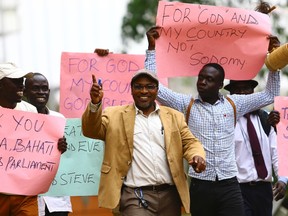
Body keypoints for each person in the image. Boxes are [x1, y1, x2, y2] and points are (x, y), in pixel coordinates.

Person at [145, 26, 280, 216]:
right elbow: (155, 89)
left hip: (230, 185)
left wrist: (275, 60)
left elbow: (270, 95)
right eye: (200, 78)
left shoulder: (234, 104)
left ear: (219, 85)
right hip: (201, 186)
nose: (202, 82)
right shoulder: (187, 104)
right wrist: (151, 50)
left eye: (209, 79)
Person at [81, 68, 206, 216]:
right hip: (135, 196)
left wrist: (197, 155)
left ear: (157, 90)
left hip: (170, 196)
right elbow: (91, 130)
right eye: (138, 87)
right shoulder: (113, 115)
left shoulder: (174, 117)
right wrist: (95, 104)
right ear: (132, 90)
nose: (144, 91)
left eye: (150, 87)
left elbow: (190, 142)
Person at [224, 79, 286, 215]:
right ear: (230, 94)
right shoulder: (226, 121)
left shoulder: (266, 118)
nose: (242, 93)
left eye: (246, 88)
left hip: (264, 190)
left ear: (253, 92)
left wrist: (282, 179)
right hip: (238, 189)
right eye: (237, 89)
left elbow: (276, 151)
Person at [23, 72, 72, 216]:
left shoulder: (60, 119)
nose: (41, 92)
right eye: (36, 88)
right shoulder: (18, 120)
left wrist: (63, 149)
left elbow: (72, 160)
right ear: (25, 92)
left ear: (49, 92)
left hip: (56, 200)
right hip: (29, 199)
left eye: (44, 89)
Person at [0, 62, 39, 216]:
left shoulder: (30, 110)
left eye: (22, 79)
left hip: (24, 191)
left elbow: (40, 148)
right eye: (15, 80)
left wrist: (57, 147)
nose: (21, 84)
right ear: (1, 85)